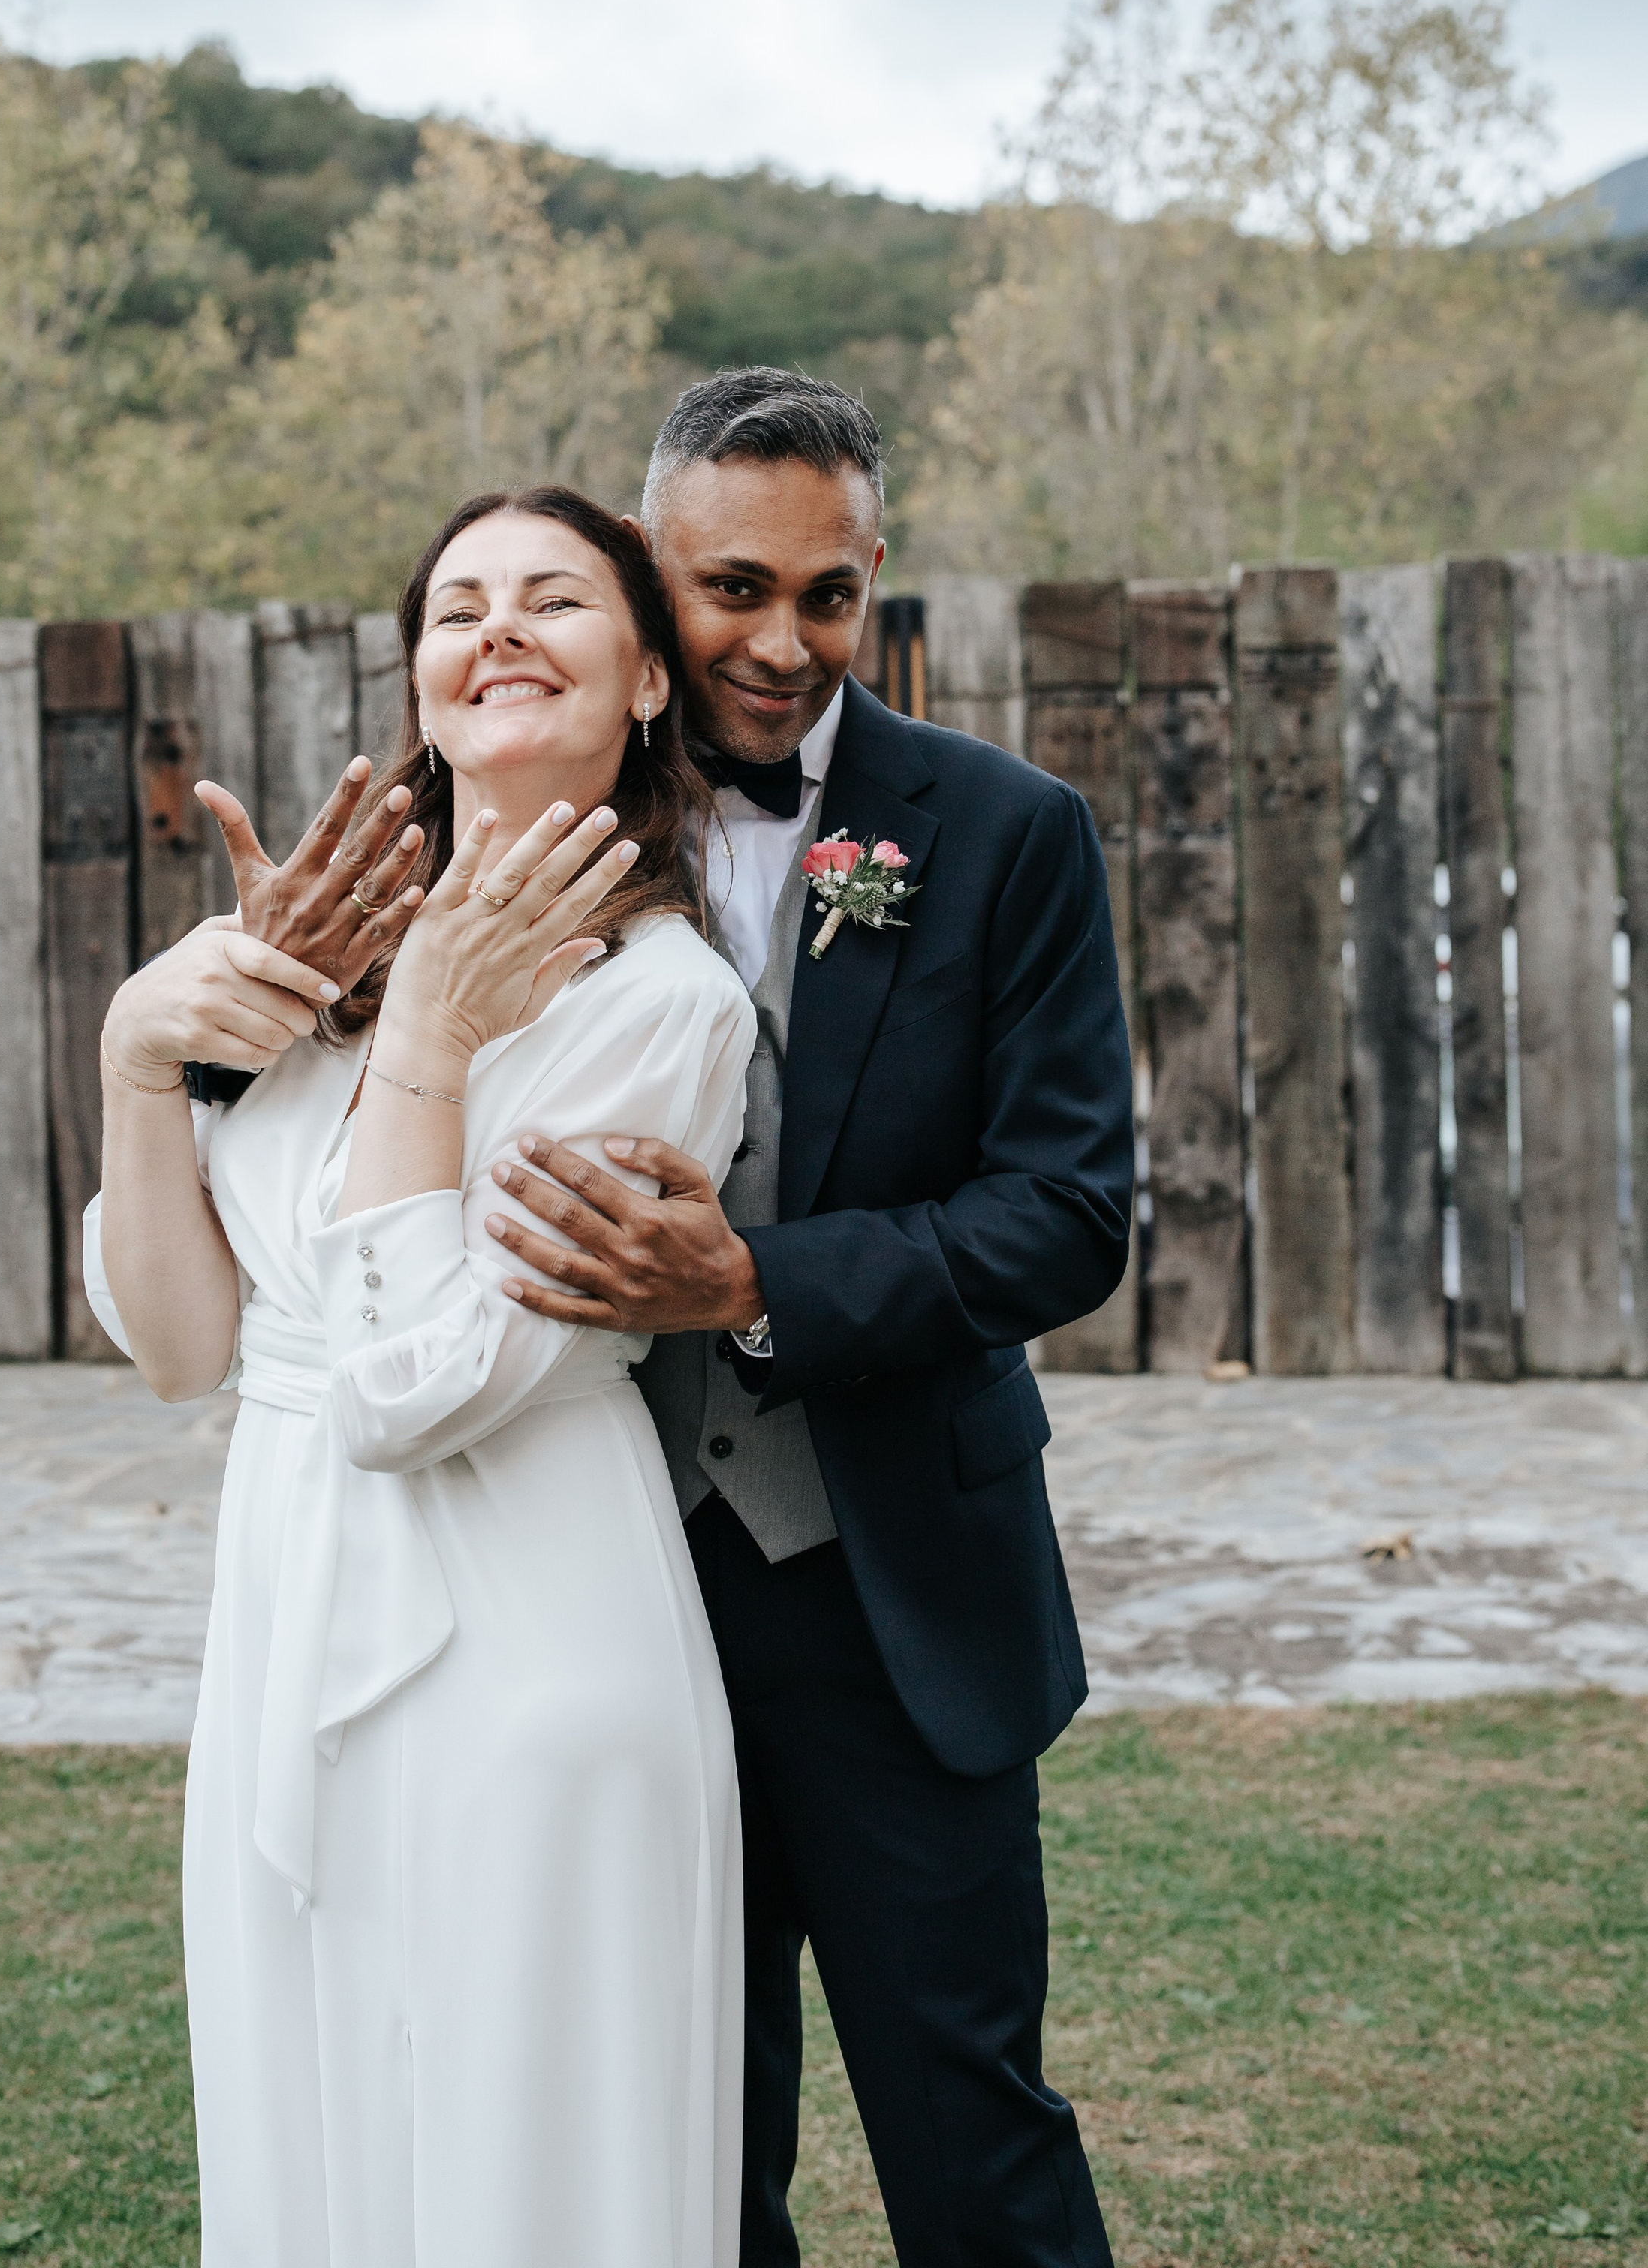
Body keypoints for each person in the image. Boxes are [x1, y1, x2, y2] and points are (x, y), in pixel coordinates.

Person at [211, 375, 1133, 2267]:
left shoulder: (997, 829)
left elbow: (1064, 1213)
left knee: (970, 2131)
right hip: (579, 1585)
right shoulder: (443, 852)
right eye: (729, 590)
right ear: (649, 588)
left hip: (881, 1584)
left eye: (830, 593)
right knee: (671, 2148)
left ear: (872, 583)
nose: (780, 643)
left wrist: (757, 1284)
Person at [84, 487, 758, 2268]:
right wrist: (141, 1058)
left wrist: (440, 1046)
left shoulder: (661, 1003)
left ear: (642, 688)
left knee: (521, 2166)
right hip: (285, 1612)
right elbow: (184, 1354)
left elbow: (411, 1388)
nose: (499, 628)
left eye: (555, 599)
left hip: (528, 1649)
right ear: (419, 680)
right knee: (312, 2134)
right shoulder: (317, 972)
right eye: (459, 606)